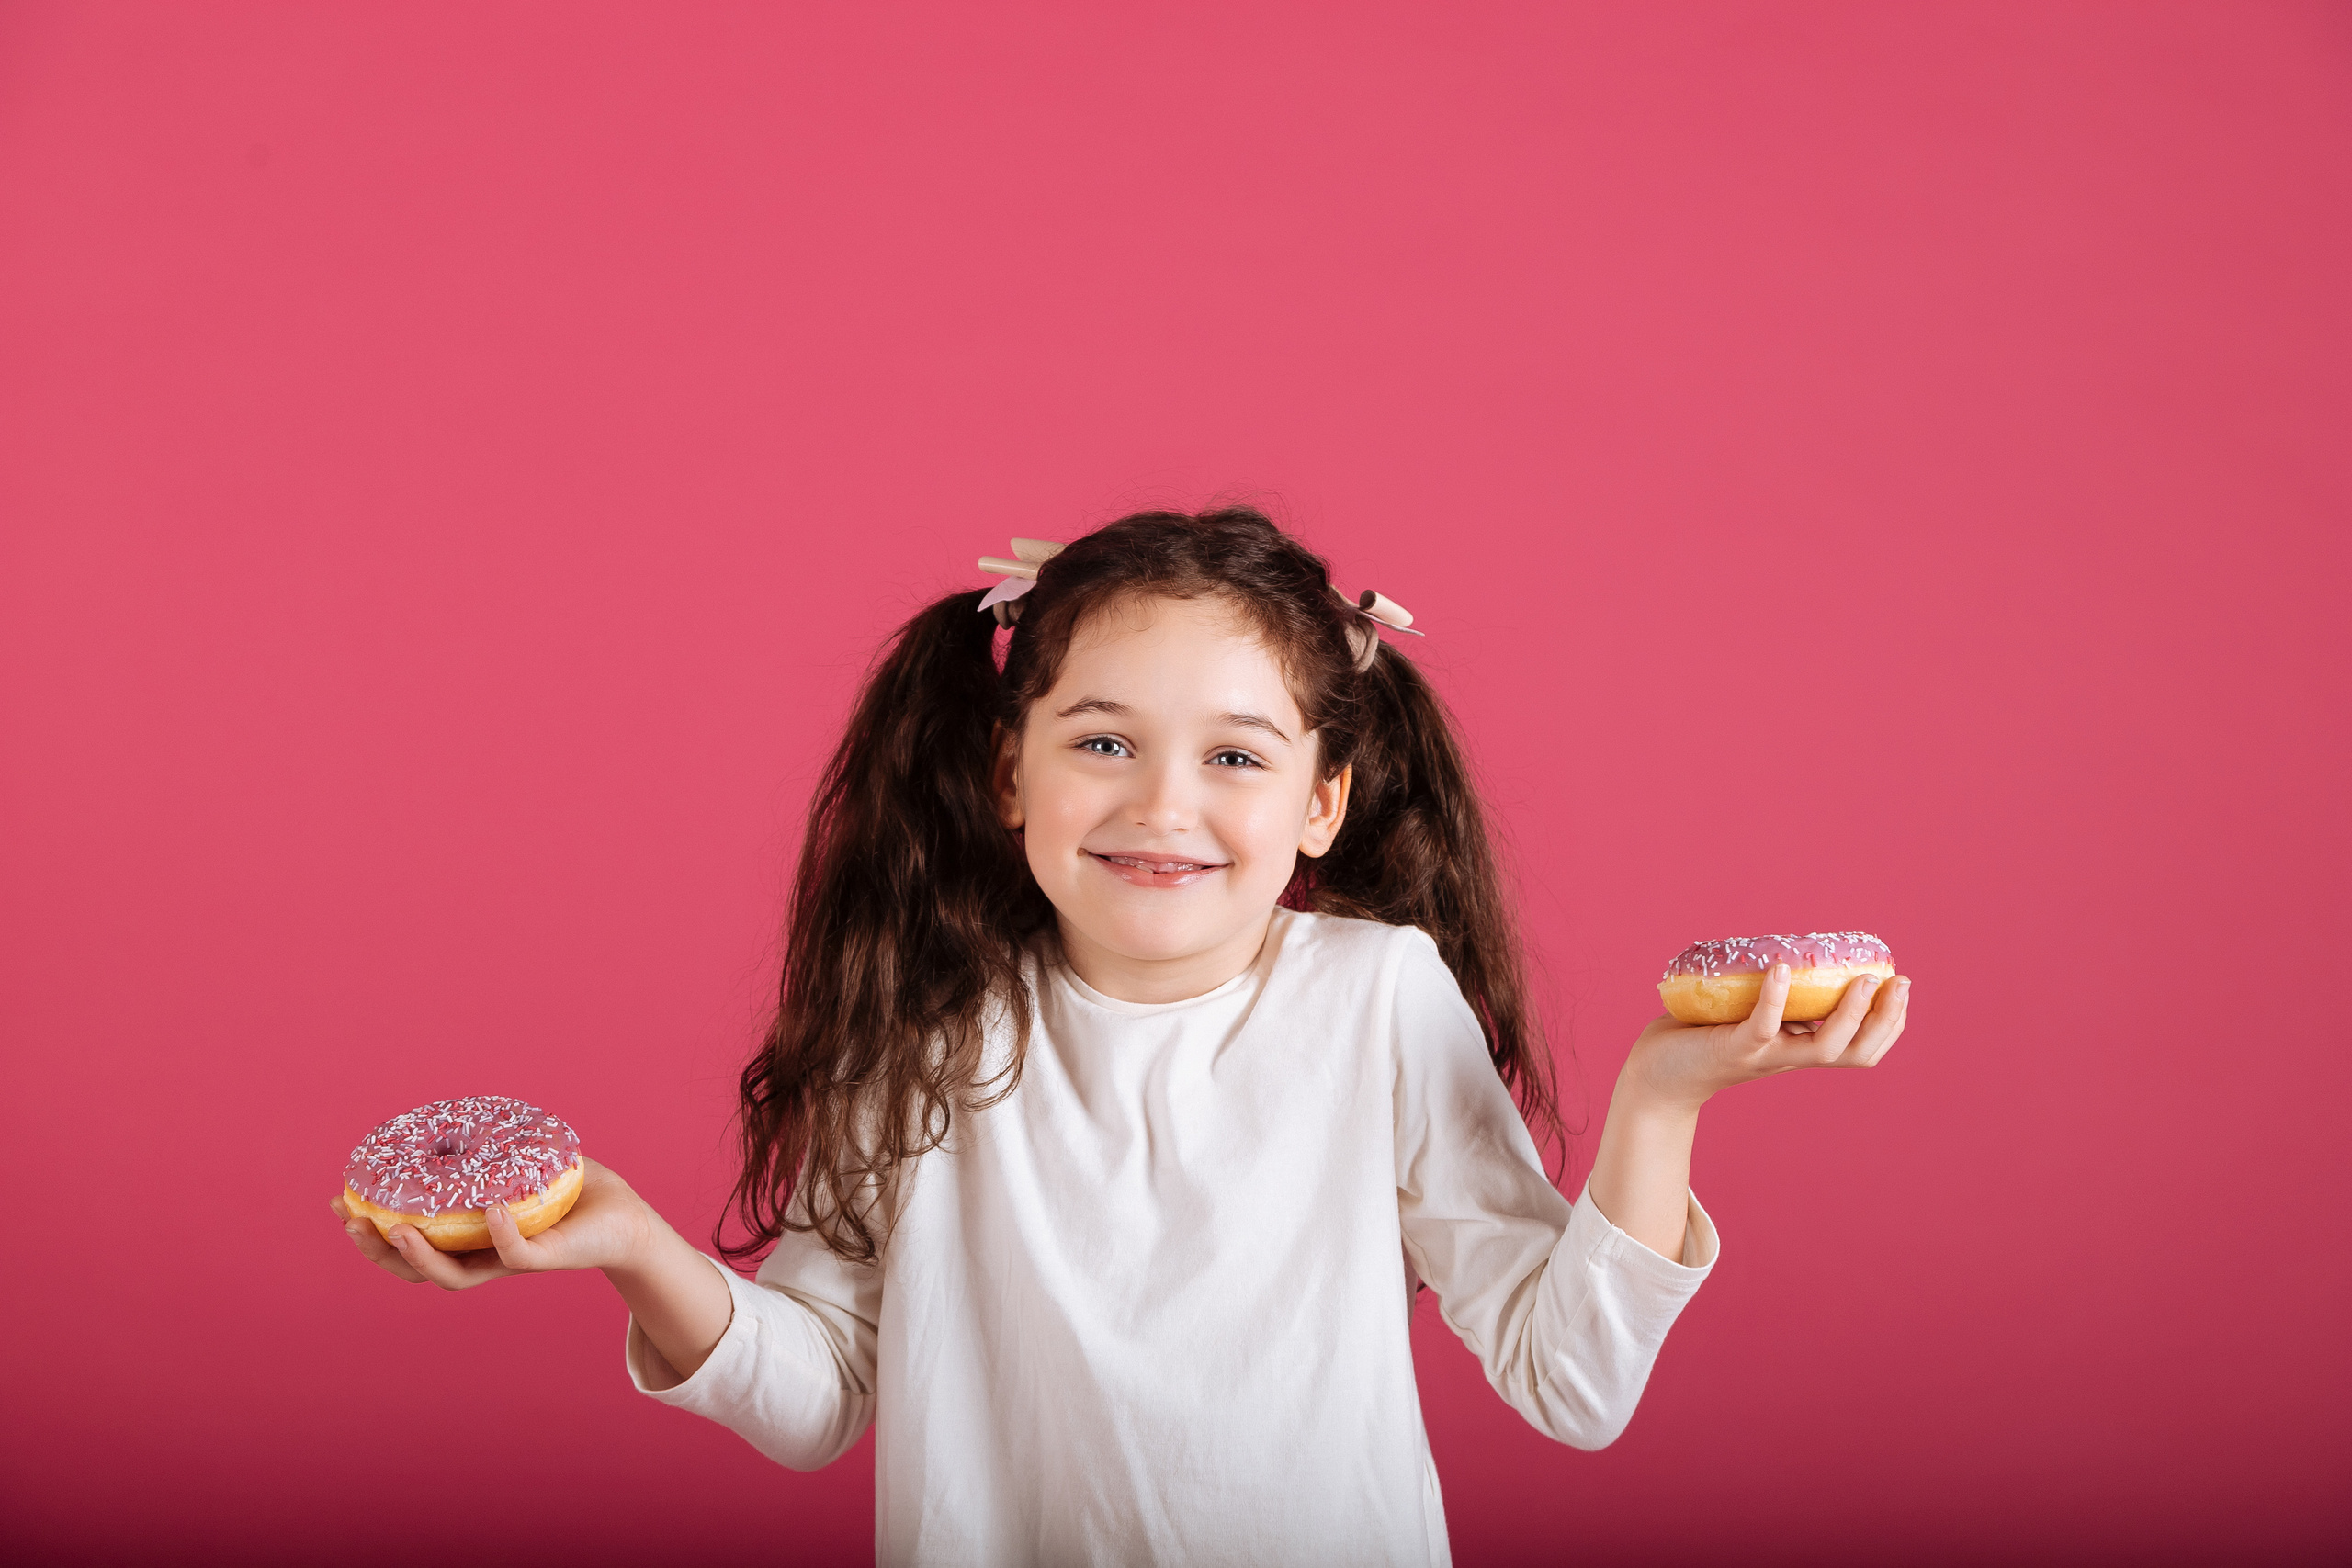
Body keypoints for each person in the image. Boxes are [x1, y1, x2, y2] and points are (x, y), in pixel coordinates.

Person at [334, 508, 1910, 1566]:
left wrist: (1661, 1097)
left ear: (1321, 802)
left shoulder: (1374, 998)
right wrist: (626, 1244)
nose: (1163, 804)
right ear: (1010, 774)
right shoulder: (925, 1033)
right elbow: (818, 1398)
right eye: (1103, 740)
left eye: (1236, 753)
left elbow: (1572, 1383)